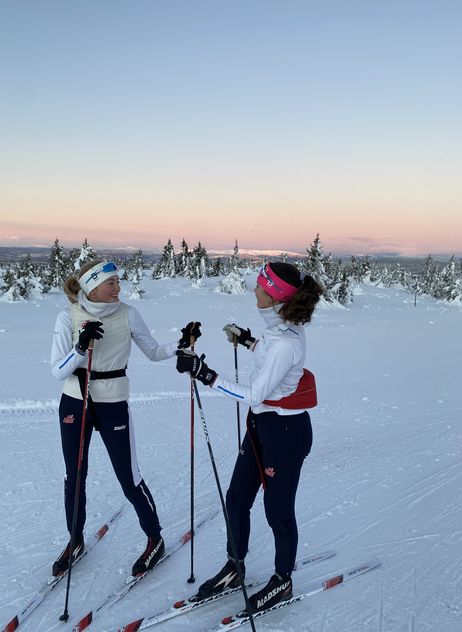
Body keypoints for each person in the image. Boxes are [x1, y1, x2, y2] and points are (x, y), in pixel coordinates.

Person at [176, 261, 322, 613]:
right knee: (237, 498)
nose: (254, 291)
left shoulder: (287, 341)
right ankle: (234, 566)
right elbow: (270, 352)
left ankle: (282, 580)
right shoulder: (278, 331)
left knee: (278, 511)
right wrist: (248, 341)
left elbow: (255, 394)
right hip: (262, 427)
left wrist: (206, 374)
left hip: (284, 433)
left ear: (275, 297)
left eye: (260, 287)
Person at [51, 258, 200, 577]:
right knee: (74, 476)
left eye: (119, 282)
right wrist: (80, 347)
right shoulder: (68, 316)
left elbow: (153, 351)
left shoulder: (128, 314)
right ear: (92, 287)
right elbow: (56, 370)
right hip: (75, 402)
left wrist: (181, 346)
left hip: (113, 402)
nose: (119, 288)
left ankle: (155, 539)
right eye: (112, 283)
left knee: (128, 477)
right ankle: (75, 540)